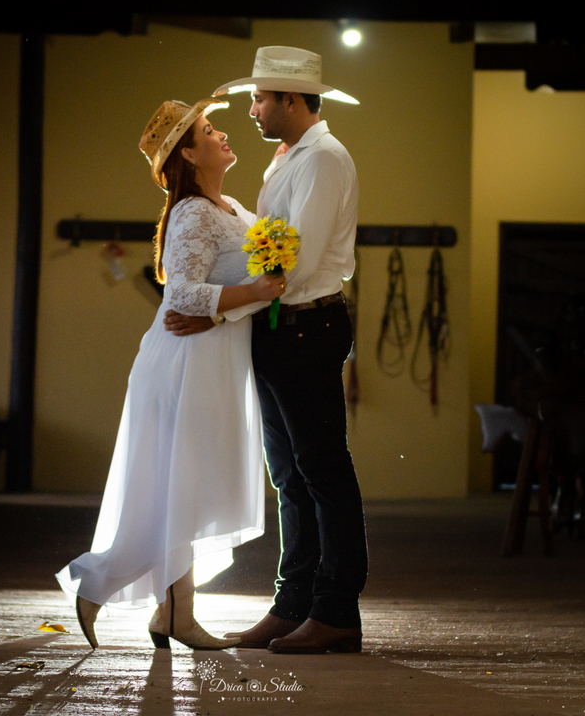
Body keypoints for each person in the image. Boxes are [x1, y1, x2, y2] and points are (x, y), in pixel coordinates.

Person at [56, 98, 285, 650]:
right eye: (209, 130)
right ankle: (160, 608)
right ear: (188, 152)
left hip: (214, 361)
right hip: (184, 363)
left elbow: (252, 286)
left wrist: (248, 296)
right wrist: (252, 292)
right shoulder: (192, 213)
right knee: (181, 484)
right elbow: (179, 293)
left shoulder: (231, 207)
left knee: (186, 485)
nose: (223, 132)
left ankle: (160, 611)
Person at [164, 46, 369, 654]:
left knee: (322, 469)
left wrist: (225, 304)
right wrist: (234, 304)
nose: (251, 109)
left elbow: (294, 263)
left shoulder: (324, 159)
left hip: (306, 323)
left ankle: (335, 608)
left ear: (291, 100)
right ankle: (293, 604)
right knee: (290, 474)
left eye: (259, 98)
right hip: (283, 325)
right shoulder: (291, 156)